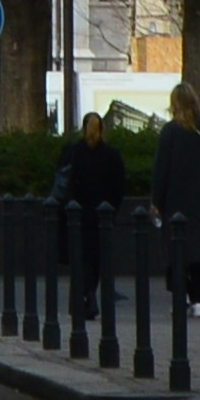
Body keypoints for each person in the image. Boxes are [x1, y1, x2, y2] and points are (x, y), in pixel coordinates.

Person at [149, 97, 200, 335]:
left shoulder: (169, 133)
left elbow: (160, 170)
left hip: (175, 202)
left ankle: (180, 296)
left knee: (176, 251)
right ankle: (198, 300)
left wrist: (156, 201)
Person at [55, 109, 133, 347]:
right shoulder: (111, 155)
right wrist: (111, 210)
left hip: (78, 215)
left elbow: (61, 181)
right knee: (96, 261)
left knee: (82, 260)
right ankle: (88, 297)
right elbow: (119, 186)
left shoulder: (73, 153)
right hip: (101, 216)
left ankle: (83, 298)